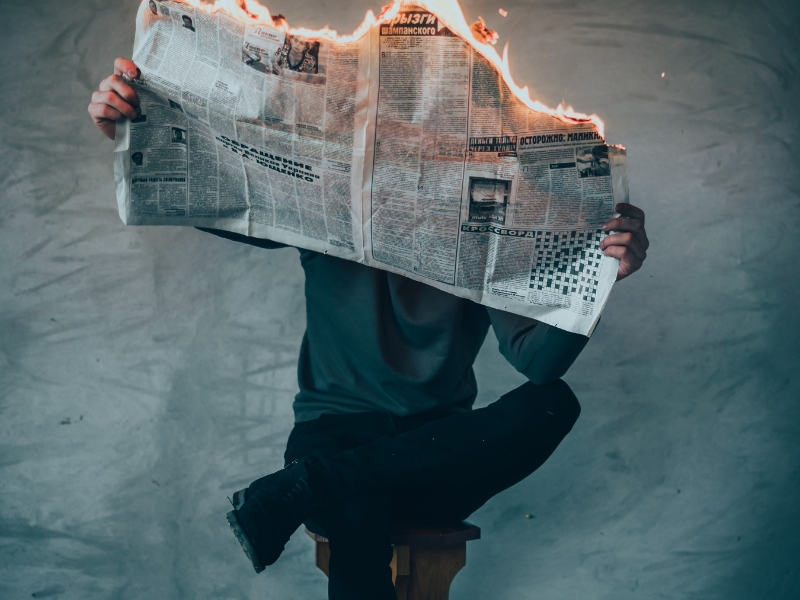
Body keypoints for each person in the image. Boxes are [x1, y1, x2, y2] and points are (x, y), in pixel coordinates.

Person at [89, 58, 650, 600]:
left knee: (554, 403)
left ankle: (311, 484)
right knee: (358, 503)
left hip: (435, 453)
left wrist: (598, 278)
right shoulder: (327, 203)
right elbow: (213, 200)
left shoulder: (488, 227)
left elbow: (540, 364)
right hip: (335, 434)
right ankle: (323, 480)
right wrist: (132, 125)